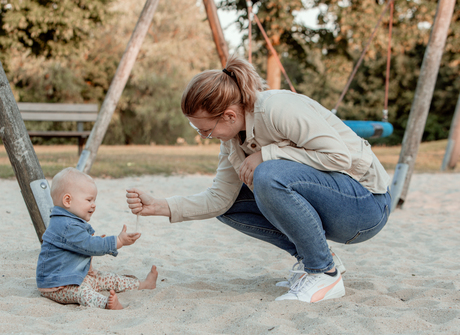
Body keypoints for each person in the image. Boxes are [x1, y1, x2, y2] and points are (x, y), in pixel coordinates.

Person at [126, 55, 391, 303]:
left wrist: (267, 154)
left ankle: (323, 273)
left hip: (365, 205)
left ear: (229, 115)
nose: (205, 136)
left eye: (206, 130)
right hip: (336, 205)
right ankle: (319, 258)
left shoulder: (278, 108)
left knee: (267, 174)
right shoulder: (232, 141)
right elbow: (219, 199)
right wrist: (159, 206)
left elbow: (339, 158)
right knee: (230, 205)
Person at [37, 167, 158, 310]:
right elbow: (89, 245)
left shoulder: (68, 222)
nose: (94, 205)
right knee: (82, 293)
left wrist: (92, 242)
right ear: (67, 200)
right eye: (89, 200)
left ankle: (142, 285)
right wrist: (118, 241)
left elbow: (81, 245)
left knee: (105, 277)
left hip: (74, 276)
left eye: (94, 200)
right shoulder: (66, 226)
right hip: (57, 285)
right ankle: (106, 304)